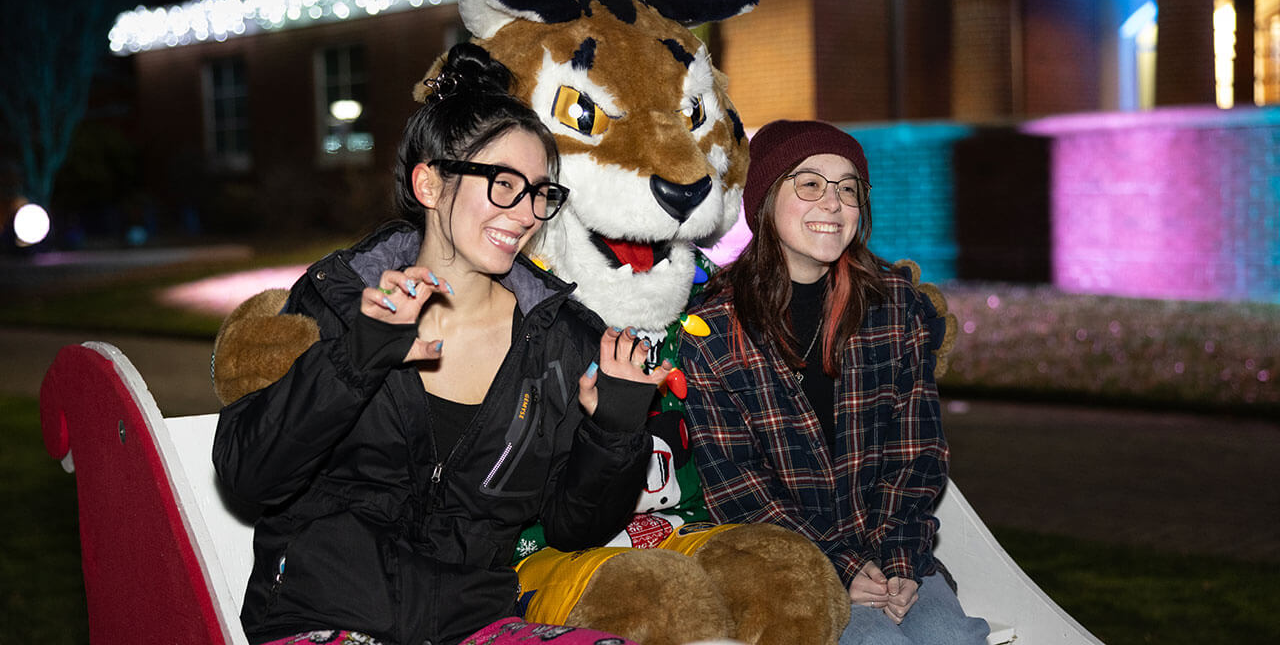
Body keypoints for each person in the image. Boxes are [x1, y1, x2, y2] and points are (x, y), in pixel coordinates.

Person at [213, 43, 669, 645]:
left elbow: (572, 527)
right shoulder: (337, 303)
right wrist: (356, 357)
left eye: (540, 192)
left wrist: (615, 428)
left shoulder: (560, 339)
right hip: (324, 618)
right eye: (504, 184)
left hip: (474, 625)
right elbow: (248, 476)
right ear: (430, 183)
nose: (527, 212)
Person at [678, 120, 989, 645]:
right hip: (787, 565)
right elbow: (737, 487)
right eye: (810, 183)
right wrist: (840, 566)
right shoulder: (713, 329)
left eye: (848, 188)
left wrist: (899, 557)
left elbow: (917, 455)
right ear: (766, 199)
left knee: (954, 639)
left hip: (892, 554)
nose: (833, 202)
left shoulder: (893, 306)